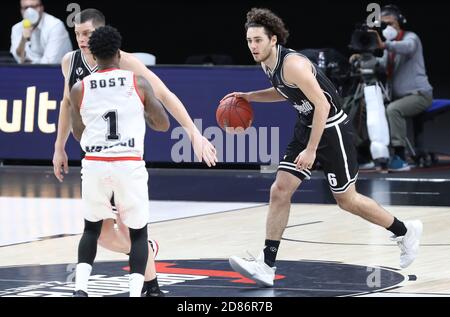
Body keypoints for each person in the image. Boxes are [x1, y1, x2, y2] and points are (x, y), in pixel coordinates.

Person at [224, 8, 423, 287]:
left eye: (258, 40)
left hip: (332, 129)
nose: (253, 46)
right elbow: (285, 91)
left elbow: (323, 104)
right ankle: (266, 264)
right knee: (280, 190)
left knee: (347, 200)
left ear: (273, 40)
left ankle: (405, 231)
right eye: (249, 41)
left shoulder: (292, 63)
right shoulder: (267, 63)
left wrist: (312, 149)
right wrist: (249, 97)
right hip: (306, 125)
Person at [53, 8, 217, 296]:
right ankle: (147, 259)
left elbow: (164, 94)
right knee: (107, 235)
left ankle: (150, 285)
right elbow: (67, 106)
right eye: (77, 34)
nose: (82, 40)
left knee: (124, 230)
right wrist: (59, 147)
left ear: (101, 33)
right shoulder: (70, 62)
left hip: (123, 153)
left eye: (88, 34)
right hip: (97, 157)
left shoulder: (125, 61)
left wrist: (194, 133)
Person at [70, 25, 170, 297]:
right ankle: (136, 292)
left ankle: (80, 289)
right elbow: (162, 124)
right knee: (138, 233)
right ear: (117, 52)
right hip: (128, 162)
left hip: (95, 163)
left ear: (92, 51)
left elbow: (78, 132)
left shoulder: (79, 87)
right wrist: (143, 113)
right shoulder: (137, 82)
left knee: (90, 229)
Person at [375, 5, 433, 172]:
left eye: (391, 24)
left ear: (400, 23)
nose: (388, 28)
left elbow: (408, 47)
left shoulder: (411, 38)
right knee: (376, 109)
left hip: (420, 95)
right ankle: (369, 154)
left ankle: (400, 157)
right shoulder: (389, 46)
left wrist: (385, 45)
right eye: (384, 25)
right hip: (401, 97)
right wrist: (364, 59)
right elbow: (383, 65)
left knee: (393, 110)